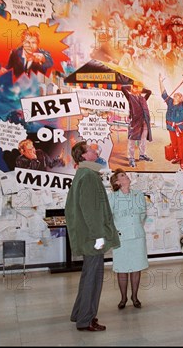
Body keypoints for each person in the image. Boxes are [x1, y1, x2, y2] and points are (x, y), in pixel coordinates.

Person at [65, 141, 120, 331]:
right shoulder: (88, 175)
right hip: (92, 237)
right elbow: (91, 209)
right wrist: (98, 236)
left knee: (88, 275)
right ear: (83, 156)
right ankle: (86, 320)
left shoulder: (84, 173)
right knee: (93, 278)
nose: (95, 151)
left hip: (88, 235)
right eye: (91, 149)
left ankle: (79, 313)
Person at [108, 168, 149, 309]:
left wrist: (135, 224)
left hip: (137, 235)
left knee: (137, 268)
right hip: (121, 237)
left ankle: (135, 297)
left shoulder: (138, 195)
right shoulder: (112, 197)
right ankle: (123, 297)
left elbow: (143, 213)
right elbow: (109, 216)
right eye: (123, 175)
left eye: (125, 174)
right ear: (117, 182)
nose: (126, 176)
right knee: (122, 268)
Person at [159, 73, 183, 169]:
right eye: (175, 95)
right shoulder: (170, 102)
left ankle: (182, 161)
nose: (176, 95)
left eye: (178, 95)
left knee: (181, 145)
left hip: (179, 128)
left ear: (181, 99)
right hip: (171, 127)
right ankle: (177, 157)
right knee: (174, 144)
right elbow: (164, 93)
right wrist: (160, 81)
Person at [121, 81, 153, 168]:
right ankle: (131, 158)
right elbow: (123, 88)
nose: (136, 89)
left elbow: (149, 92)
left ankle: (142, 155)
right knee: (132, 140)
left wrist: (140, 88)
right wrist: (131, 86)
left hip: (144, 121)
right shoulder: (130, 97)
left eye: (137, 88)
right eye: (134, 88)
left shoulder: (143, 98)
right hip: (135, 122)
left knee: (143, 140)